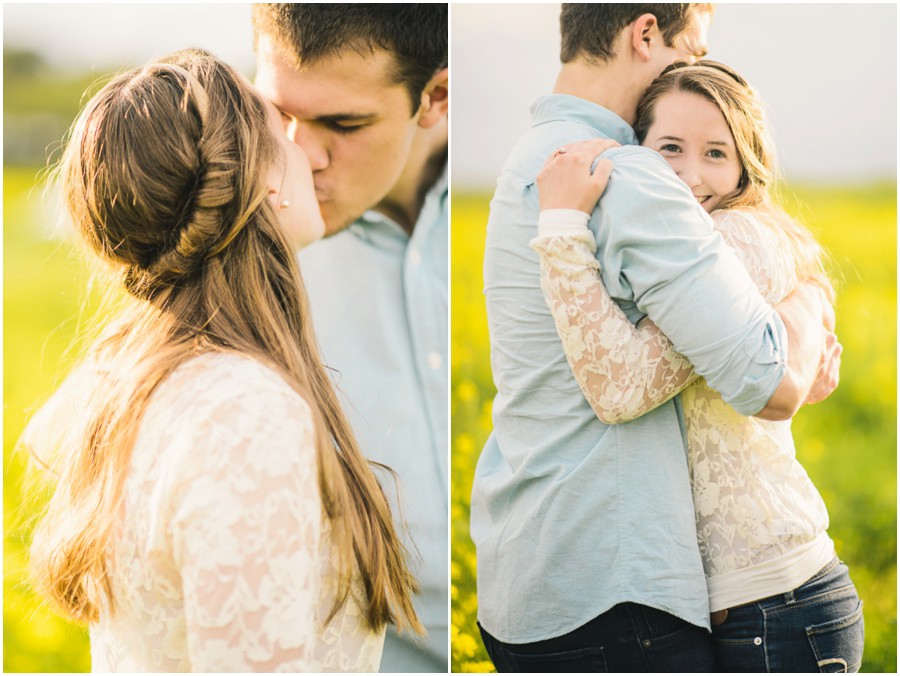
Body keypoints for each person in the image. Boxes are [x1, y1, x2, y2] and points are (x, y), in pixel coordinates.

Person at [25, 48, 422, 672]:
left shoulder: (127, 376)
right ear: (254, 174)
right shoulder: (245, 414)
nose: (313, 153)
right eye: (281, 129)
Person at [469, 5, 839, 672]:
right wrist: (808, 304)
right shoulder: (628, 173)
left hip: (525, 571)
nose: (697, 68)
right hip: (614, 583)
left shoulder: (529, 156)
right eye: (689, 48)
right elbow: (769, 377)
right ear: (645, 34)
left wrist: (805, 295)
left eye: (715, 152)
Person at [251, 5, 449, 672]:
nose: (301, 154)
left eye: (343, 123)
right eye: (280, 112)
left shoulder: (529, 205)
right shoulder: (234, 240)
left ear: (437, 99)